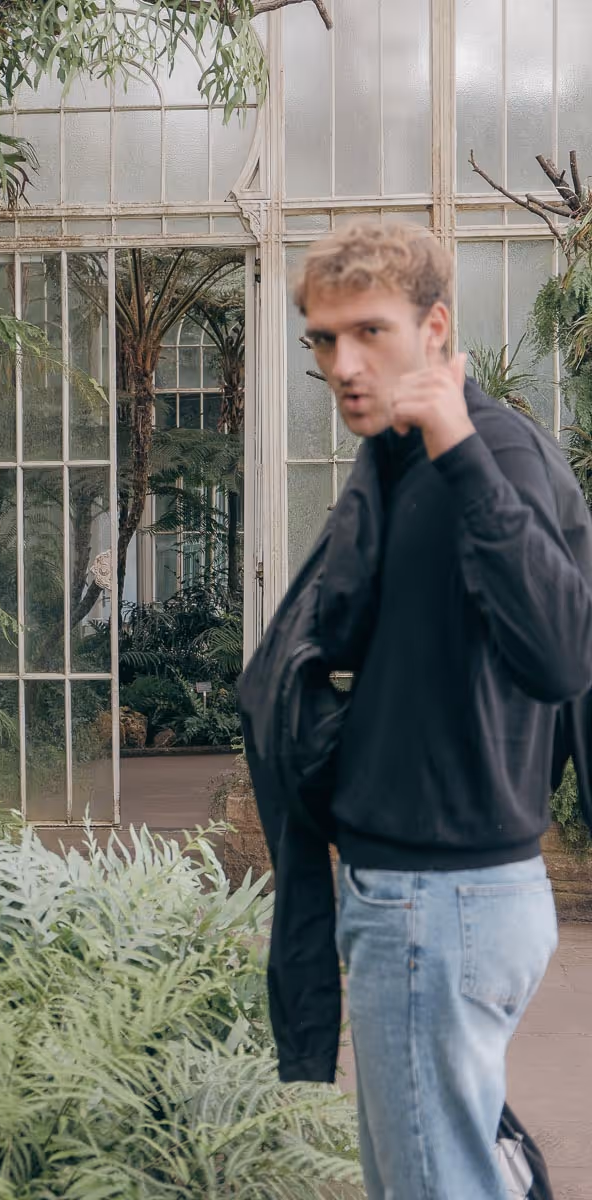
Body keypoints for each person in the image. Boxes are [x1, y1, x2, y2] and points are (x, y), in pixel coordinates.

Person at [292, 222, 592, 1199]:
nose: (341, 364)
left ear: (434, 328)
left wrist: (456, 448)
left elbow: (559, 652)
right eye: (321, 339)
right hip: (423, 894)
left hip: (442, 900)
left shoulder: (487, 453)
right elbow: (338, 630)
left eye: (366, 333)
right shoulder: (398, 454)